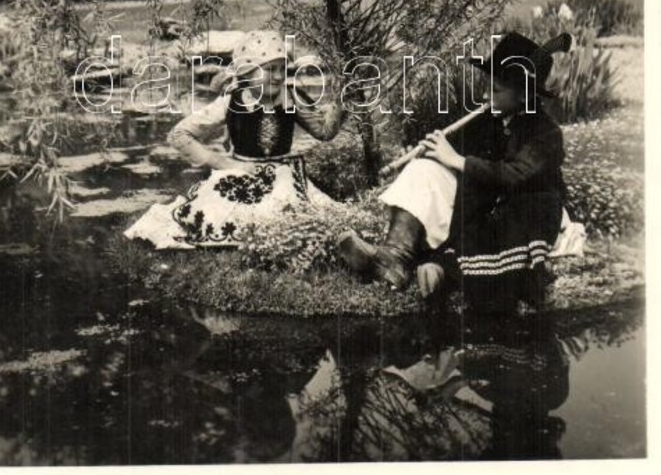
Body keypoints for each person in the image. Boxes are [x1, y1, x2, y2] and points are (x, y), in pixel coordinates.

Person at [338, 31, 575, 310]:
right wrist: (426, 156)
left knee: (493, 224)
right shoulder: (487, 120)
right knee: (423, 168)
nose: (487, 94)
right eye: (488, 85)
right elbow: (450, 154)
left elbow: (515, 175)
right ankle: (394, 259)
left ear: (523, 95)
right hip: (485, 200)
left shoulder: (546, 132)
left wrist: (457, 161)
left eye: (496, 90)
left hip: (528, 208)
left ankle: (439, 269)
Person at [125, 29, 343, 249]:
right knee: (225, 219)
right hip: (241, 175)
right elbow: (179, 135)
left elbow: (324, 132)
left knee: (300, 219)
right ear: (248, 73)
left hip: (284, 177)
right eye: (270, 70)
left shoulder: (291, 98)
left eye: (282, 69)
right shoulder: (232, 101)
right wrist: (225, 163)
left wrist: (343, 102)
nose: (278, 76)